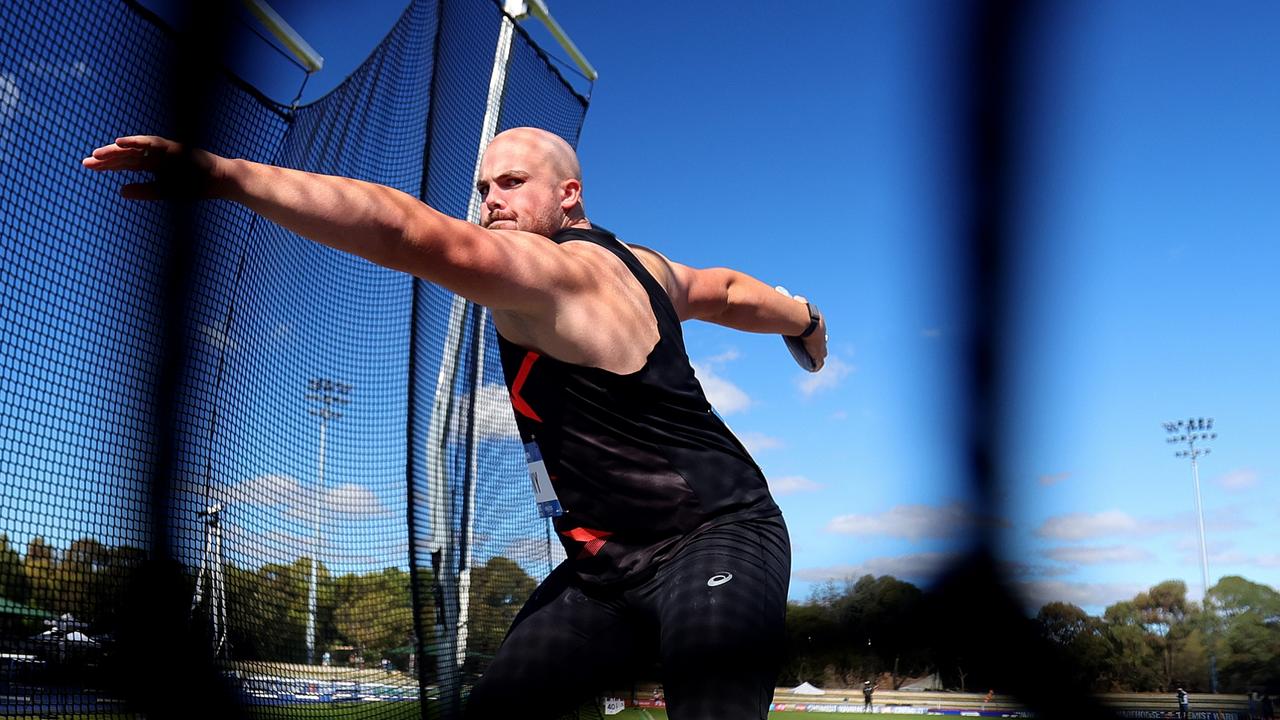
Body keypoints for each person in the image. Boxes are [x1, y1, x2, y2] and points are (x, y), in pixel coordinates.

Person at [84, 127, 828, 720]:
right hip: (605, 574)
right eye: (482, 188)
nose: (491, 201)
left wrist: (229, 176)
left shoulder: (556, 270)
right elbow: (725, 290)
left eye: (511, 184)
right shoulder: (647, 266)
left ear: (569, 195)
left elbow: (410, 232)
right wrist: (803, 319)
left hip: (714, 536)